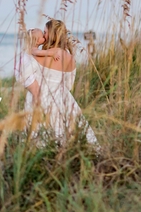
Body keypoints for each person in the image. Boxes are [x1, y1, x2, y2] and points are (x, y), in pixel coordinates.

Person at [29, 19, 99, 147]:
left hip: (41, 98)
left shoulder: (40, 55)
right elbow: (69, 85)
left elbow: (28, 76)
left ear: (53, 34)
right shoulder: (70, 59)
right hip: (63, 99)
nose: (43, 37)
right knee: (69, 135)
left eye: (45, 32)